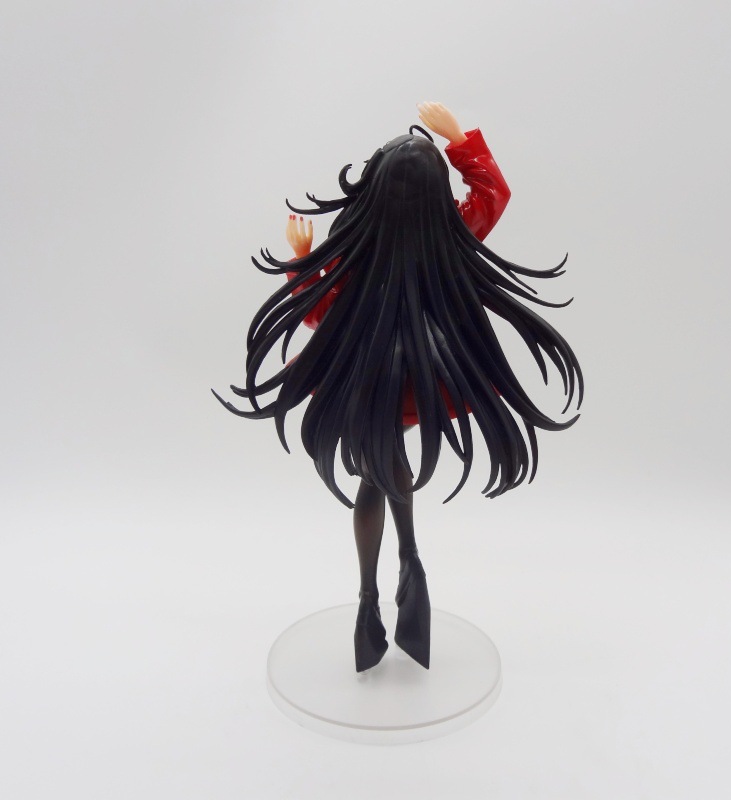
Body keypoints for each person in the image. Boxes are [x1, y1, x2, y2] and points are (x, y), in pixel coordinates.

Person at [214, 102, 583, 671]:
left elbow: (318, 315)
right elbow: (493, 196)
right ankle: (408, 558)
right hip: (428, 386)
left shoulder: (359, 258)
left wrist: (303, 259)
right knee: (380, 468)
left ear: (374, 193)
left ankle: (373, 592)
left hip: (368, 383)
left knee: (373, 474)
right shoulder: (453, 234)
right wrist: (460, 141)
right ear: (437, 196)